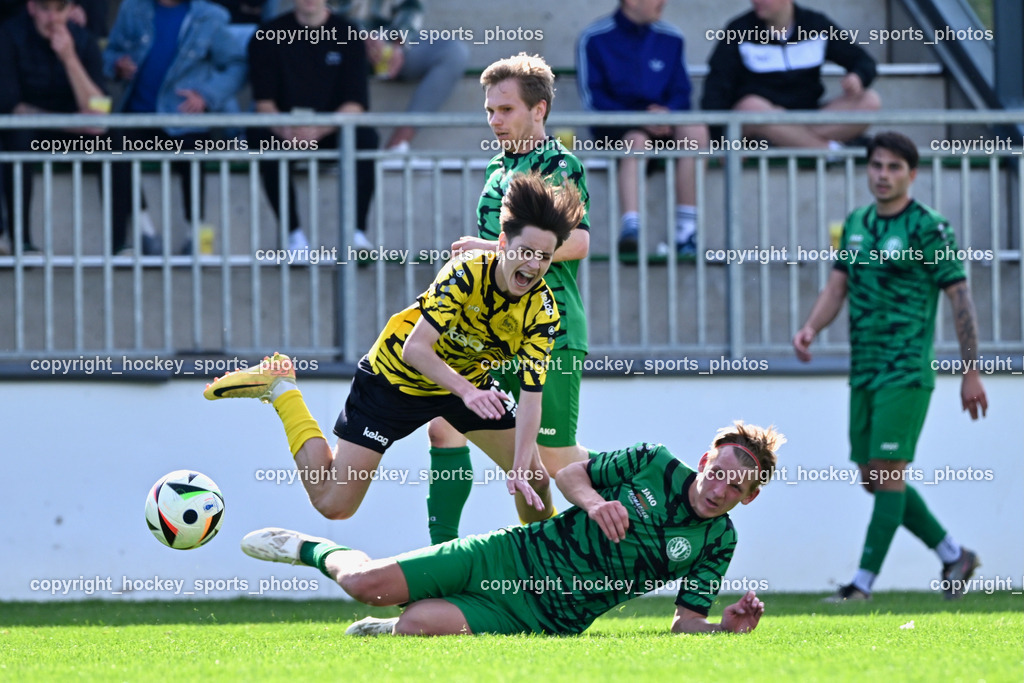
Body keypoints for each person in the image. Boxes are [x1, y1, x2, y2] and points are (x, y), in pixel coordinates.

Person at [205, 172, 584, 526]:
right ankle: (282, 388)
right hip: (394, 378)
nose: (534, 265)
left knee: (534, 480)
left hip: (463, 385)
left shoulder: (542, 310)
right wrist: (469, 392)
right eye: (526, 251)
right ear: (502, 243)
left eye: (545, 257)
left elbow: (532, 397)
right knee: (333, 504)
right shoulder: (466, 272)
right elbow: (415, 350)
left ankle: (543, 578)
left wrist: (518, 464)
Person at [240, 421, 781, 637]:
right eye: (720, 474)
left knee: (414, 627)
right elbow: (569, 473)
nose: (719, 490)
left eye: (736, 489)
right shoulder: (652, 460)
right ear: (707, 459)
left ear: (750, 498)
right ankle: (313, 549)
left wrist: (725, 631)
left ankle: (394, 628)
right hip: (510, 557)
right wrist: (593, 503)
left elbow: (685, 625)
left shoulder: (718, 541)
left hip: (545, 618)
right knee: (365, 587)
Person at [793, 131, 986, 601]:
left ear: (912, 174)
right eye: (877, 166)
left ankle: (860, 586)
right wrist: (811, 328)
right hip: (865, 370)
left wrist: (971, 370)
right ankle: (953, 554)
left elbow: (959, 295)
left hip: (906, 370)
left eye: (894, 167)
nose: (883, 175)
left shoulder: (928, 227)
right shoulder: (858, 222)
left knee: (886, 471)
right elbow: (837, 286)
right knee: (873, 477)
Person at [423, 53, 591, 544]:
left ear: (539, 110)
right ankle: (439, 562)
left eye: (506, 110)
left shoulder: (559, 164)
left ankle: (642, 492)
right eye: (489, 111)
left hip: (550, 331)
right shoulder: (498, 168)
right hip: (490, 331)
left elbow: (579, 242)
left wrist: (495, 247)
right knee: (445, 427)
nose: (494, 120)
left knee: (554, 460)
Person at [104, 0, 247, 254]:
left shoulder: (210, 16)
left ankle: (196, 236)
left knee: (194, 151)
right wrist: (117, 65)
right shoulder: (132, 9)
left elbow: (236, 65)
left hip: (183, 117)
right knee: (112, 148)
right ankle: (145, 231)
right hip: (137, 116)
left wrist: (206, 95)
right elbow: (109, 53)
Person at [247, 0, 379, 254]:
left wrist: (319, 129)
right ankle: (293, 236)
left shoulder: (348, 34)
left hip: (332, 129)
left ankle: (356, 234)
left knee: (365, 137)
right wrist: (287, 130)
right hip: (283, 130)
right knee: (261, 138)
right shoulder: (267, 35)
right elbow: (263, 103)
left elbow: (356, 104)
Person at [577, 0, 707, 256]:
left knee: (697, 131)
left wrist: (666, 114)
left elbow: (682, 92)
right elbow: (594, 99)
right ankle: (631, 229)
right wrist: (638, 118)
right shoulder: (594, 38)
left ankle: (686, 233)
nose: (663, 2)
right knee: (637, 140)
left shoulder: (671, 37)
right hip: (617, 126)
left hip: (665, 123)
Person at [0, 0, 116, 254]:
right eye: (44, 9)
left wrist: (70, 58)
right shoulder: (9, 35)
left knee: (117, 140)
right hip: (27, 133)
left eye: (60, 9)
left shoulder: (83, 41)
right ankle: (21, 242)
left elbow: (100, 112)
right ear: (31, 7)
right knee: (18, 138)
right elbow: (12, 108)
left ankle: (121, 245)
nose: (52, 18)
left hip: (65, 133)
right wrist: (78, 122)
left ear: (71, 9)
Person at [701, 0, 881, 151]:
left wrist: (858, 76)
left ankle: (787, 139)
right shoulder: (738, 30)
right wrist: (721, 140)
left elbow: (863, 60)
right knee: (752, 107)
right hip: (756, 122)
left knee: (869, 101)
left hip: (806, 116)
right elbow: (716, 88)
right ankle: (829, 151)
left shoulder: (816, 24)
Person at [336, 0, 469, 152]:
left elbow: (411, 7)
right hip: (337, 40)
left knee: (453, 52)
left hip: (387, 42)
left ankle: (396, 146)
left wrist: (398, 41)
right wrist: (357, 37)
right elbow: (316, 10)